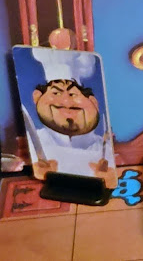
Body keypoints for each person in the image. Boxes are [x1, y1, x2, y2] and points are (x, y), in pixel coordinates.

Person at [18, 48, 117, 188]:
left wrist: (109, 181)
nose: (65, 101)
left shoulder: (106, 149)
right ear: (37, 97)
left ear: (93, 102)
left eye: (73, 94)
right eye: (56, 93)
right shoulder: (32, 145)